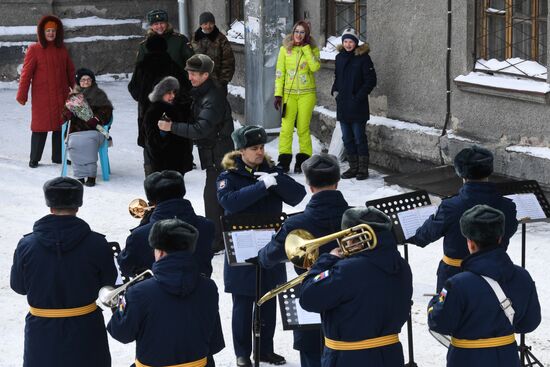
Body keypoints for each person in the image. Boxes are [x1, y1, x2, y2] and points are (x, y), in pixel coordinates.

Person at [216, 125, 306, 367]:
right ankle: (242, 353)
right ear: (241, 151)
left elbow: (298, 195)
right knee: (243, 303)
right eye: (254, 148)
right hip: (242, 245)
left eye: (261, 147)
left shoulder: (270, 172)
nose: (259, 152)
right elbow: (231, 203)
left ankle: (265, 349)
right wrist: (261, 187)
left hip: (270, 245)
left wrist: (275, 181)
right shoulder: (228, 176)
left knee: (268, 299)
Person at [10, 177, 117, 367]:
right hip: (86, 328)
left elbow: (18, 287)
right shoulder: (97, 243)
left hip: (41, 330)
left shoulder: (27, 245)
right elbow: (108, 282)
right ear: (78, 206)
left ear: (50, 206)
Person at [257, 153, 351, 367]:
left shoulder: (296, 223)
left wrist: (263, 253)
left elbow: (269, 257)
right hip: (351, 301)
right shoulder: (355, 218)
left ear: (309, 186)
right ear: (337, 183)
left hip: (311, 300)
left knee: (312, 356)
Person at [428, 205, 541, 367]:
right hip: (507, 358)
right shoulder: (523, 276)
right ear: (500, 238)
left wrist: (434, 303)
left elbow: (440, 323)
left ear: (471, 244)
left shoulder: (457, 284)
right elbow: (529, 323)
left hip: (467, 360)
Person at [300, 207, 413, 367]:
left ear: (354, 237)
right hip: (390, 355)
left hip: (348, 358)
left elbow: (308, 298)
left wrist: (323, 263)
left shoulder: (347, 270)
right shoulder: (401, 265)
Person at [108, 218, 223, 367]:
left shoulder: (139, 291)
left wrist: (122, 306)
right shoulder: (209, 287)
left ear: (160, 252)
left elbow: (121, 333)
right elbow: (214, 343)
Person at [408, 146, 518, 292]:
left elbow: (424, 236)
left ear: (461, 174)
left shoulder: (451, 207)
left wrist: (405, 234)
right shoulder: (507, 207)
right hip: (495, 274)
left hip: (455, 275)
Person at [158, 54, 234, 252]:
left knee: (214, 198)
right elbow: (191, 109)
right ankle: (221, 237)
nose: (189, 77)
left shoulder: (214, 97)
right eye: (189, 73)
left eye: (193, 74)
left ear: (205, 75)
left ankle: (217, 241)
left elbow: (201, 129)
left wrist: (171, 126)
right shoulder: (201, 92)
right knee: (217, 197)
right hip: (212, 154)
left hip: (220, 155)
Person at [118, 170, 215, 279]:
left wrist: (144, 224)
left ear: (152, 200)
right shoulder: (207, 226)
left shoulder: (139, 235)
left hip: (153, 292)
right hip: (200, 290)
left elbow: (126, 266)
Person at [16, 15, 75, 168]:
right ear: (42, 32)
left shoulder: (62, 50)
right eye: (48, 30)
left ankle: (58, 157)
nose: (50, 33)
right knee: (39, 128)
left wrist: (76, 90)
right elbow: (26, 74)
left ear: (57, 33)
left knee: (60, 128)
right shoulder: (34, 49)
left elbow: (70, 71)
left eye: (53, 31)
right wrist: (22, 94)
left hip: (61, 95)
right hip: (42, 98)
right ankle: (34, 158)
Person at [129, 34, 191, 176]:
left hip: (147, 113)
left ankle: (151, 177)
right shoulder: (172, 65)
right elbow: (185, 88)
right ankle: (174, 177)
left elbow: (133, 89)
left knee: (149, 145)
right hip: (171, 114)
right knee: (173, 145)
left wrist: (145, 98)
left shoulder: (142, 67)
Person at [274, 20, 321, 174]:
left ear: (306, 35)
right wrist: (278, 95)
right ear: (292, 32)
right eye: (296, 31)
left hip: (307, 94)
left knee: (302, 128)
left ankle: (304, 160)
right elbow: (280, 73)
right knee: (286, 129)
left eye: (302, 32)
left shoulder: (312, 49)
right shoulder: (284, 50)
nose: (298, 35)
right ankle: (284, 161)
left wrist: (306, 48)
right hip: (289, 95)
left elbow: (315, 67)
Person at [332, 28, 377, 180]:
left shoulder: (363, 58)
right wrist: (335, 91)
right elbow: (337, 77)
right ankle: (353, 167)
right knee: (347, 138)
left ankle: (363, 169)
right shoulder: (339, 57)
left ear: (356, 43)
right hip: (343, 105)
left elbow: (371, 80)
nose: (348, 44)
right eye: (345, 41)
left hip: (358, 105)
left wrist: (358, 96)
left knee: (359, 137)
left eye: (351, 41)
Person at [63, 68, 113, 187]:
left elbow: (107, 111)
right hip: (75, 131)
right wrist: (68, 113)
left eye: (88, 79)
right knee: (75, 143)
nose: (86, 82)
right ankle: (80, 175)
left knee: (89, 142)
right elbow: (63, 114)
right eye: (83, 80)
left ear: (93, 81)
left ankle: (91, 176)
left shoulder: (99, 94)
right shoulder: (73, 97)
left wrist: (96, 119)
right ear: (78, 81)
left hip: (94, 130)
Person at [143, 76, 193, 175]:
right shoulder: (154, 111)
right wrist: (163, 132)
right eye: (168, 93)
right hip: (163, 163)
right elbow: (152, 140)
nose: (172, 96)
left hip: (178, 161)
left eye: (174, 92)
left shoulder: (178, 108)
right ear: (160, 94)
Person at [191, 11, 235, 95]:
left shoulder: (221, 39)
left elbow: (228, 61)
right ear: (200, 25)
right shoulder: (194, 38)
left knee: (218, 106)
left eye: (211, 23)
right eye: (205, 23)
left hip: (216, 83)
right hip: (198, 82)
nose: (208, 26)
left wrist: (223, 81)